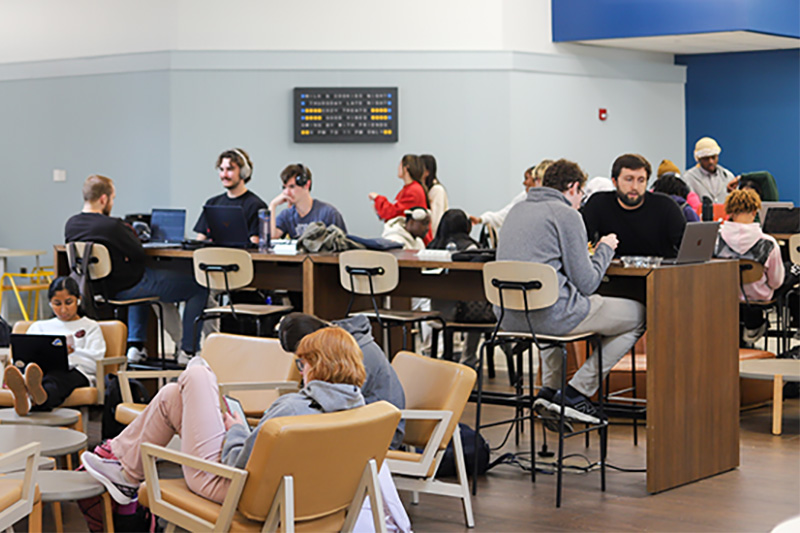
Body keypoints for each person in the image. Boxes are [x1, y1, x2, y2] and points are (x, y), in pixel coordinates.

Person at [80, 328, 410, 532]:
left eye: (303, 364)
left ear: (317, 364)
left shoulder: (292, 410)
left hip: (236, 492)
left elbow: (237, 462)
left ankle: (124, 471)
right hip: (304, 502)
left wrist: (238, 429)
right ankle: (125, 473)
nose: (301, 372)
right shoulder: (364, 414)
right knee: (172, 396)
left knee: (196, 375)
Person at [497, 159, 645, 425]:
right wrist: (605, 248)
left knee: (549, 309)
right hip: (550, 317)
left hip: (509, 317)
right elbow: (587, 283)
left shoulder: (517, 210)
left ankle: (550, 392)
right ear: (573, 187)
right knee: (639, 315)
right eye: (581, 195)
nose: (580, 202)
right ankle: (577, 392)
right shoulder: (567, 214)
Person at [65, 175, 208, 363]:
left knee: (137, 280)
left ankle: (136, 346)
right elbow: (138, 253)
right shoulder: (113, 226)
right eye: (113, 198)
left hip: (94, 291)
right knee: (198, 286)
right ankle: (188, 351)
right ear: (104, 199)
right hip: (124, 288)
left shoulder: (71, 225)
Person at [277, 312, 406, 449]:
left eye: (306, 360)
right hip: (359, 423)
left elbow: (338, 404)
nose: (302, 370)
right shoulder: (337, 345)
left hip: (380, 430)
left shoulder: (354, 355)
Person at [4, 277, 106, 416]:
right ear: (50, 303)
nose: (63, 309)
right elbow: (24, 356)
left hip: (77, 372)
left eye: (68, 302)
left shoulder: (90, 326)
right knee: (40, 375)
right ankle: (34, 397)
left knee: (56, 380)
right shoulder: (39, 327)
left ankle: (29, 397)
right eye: (57, 303)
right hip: (41, 371)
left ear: (78, 299)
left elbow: (95, 360)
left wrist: (68, 356)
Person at [714, 189, 785, 344]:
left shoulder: (715, 240)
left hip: (724, 298)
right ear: (754, 211)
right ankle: (754, 328)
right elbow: (776, 282)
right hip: (758, 299)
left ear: (730, 212)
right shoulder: (769, 243)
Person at [582, 154, 686, 258]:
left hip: (659, 267)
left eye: (641, 180)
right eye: (629, 179)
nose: (635, 187)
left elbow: (686, 247)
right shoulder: (598, 204)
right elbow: (581, 243)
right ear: (615, 182)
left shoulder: (666, 206)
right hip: (613, 267)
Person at [428, 209, 492, 368]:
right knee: (481, 306)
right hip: (464, 312)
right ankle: (469, 358)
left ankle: (437, 355)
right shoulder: (472, 248)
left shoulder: (432, 247)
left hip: (436, 310)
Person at [193, 148, 267, 244]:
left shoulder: (256, 205)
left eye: (230, 169)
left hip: (239, 254)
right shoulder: (212, 203)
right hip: (213, 253)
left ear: (243, 172)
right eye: (221, 169)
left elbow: (254, 245)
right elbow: (200, 239)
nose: (224, 175)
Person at [469, 159, 553, 231]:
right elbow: (504, 215)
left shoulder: (554, 203)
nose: (524, 183)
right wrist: (481, 219)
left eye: (527, 178)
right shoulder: (524, 198)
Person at [269, 163, 347, 239]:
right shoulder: (287, 215)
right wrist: (273, 205)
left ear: (307, 185)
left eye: (292, 187)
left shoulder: (329, 214)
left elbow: (342, 244)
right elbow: (272, 236)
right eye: (284, 188)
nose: (286, 192)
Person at [369, 155, 430, 243]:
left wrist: (377, 198)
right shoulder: (409, 189)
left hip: (411, 242)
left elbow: (394, 212)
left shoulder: (413, 190)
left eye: (400, 165)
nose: (398, 168)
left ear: (406, 168)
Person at [683, 137, 738, 204]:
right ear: (699, 159)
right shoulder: (689, 178)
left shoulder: (728, 176)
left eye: (713, 157)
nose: (711, 161)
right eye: (706, 158)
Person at [420, 154, 449, 237]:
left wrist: (430, 240)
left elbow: (436, 219)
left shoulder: (437, 190)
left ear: (427, 172)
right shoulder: (425, 189)